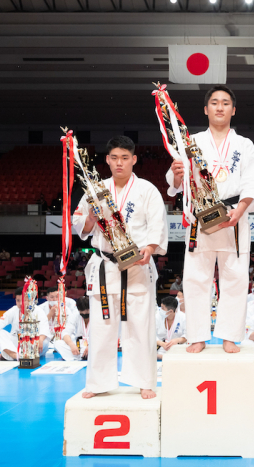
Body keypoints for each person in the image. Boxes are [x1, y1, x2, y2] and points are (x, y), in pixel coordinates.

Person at [166, 85, 254, 355]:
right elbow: (175, 184)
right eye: (214, 102)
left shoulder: (244, 145)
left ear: (233, 110)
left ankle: (230, 336)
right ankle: (197, 336)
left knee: (235, 277)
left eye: (225, 103)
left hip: (234, 217)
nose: (220, 107)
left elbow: (253, 185)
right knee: (196, 278)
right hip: (201, 219)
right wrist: (176, 174)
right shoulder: (191, 143)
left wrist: (240, 210)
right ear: (205, 109)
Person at [73, 134, 168, 400]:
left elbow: (157, 226)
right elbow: (80, 225)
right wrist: (90, 217)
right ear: (107, 160)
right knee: (102, 327)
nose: (119, 163)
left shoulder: (147, 190)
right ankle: (97, 382)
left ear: (134, 160)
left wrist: (149, 249)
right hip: (105, 266)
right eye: (114, 158)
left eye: (125, 158)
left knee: (140, 326)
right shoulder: (95, 190)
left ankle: (145, 381)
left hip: (137, 266)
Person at [0, 287, 49, 361]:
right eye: (18, 301)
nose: (21, 303)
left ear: (30, 300)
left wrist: (40, 340)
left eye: (24, 300)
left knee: (45, 342)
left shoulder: (38, 311)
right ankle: (15, 355)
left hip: (35, 343)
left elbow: (44, 329)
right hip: (17, 343)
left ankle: (9, 354)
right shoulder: (14, 310)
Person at [54, 296, 90, 361]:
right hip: (80, 344)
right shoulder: (75, 315)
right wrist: (72, 345)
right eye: (82, 312)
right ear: (78, 308)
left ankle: (78, 356)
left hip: (94, 343)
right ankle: (83, 355)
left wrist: (90, 346)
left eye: (87, 312)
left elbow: (101, 335)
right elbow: (66, 333)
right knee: (57, 343)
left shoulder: (97, 315)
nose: (85, 314)